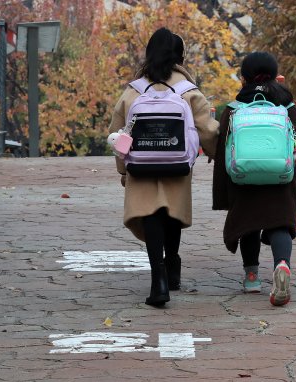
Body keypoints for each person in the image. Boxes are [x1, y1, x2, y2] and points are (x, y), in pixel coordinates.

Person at [109, 27, 219, 307]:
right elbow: (208, 130)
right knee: (171, 214)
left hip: (141, 166)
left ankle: (157, 278)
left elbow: (117, 134)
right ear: (179, 56)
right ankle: (173, 267)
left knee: (150, 215)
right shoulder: (188, 90)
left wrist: (123, 169)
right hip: (177, 165)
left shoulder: (133, 92)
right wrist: (214, 152)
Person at [212, 52, 296, 306]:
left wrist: (223, 194)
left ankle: (251, 277)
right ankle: (282, 264)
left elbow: (222, 151)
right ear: (274, 76)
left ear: (244, 78)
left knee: (249, 224)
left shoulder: (234, 109)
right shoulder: (286, 107)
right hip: (281, 180)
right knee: (280, 225)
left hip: (243, 180)